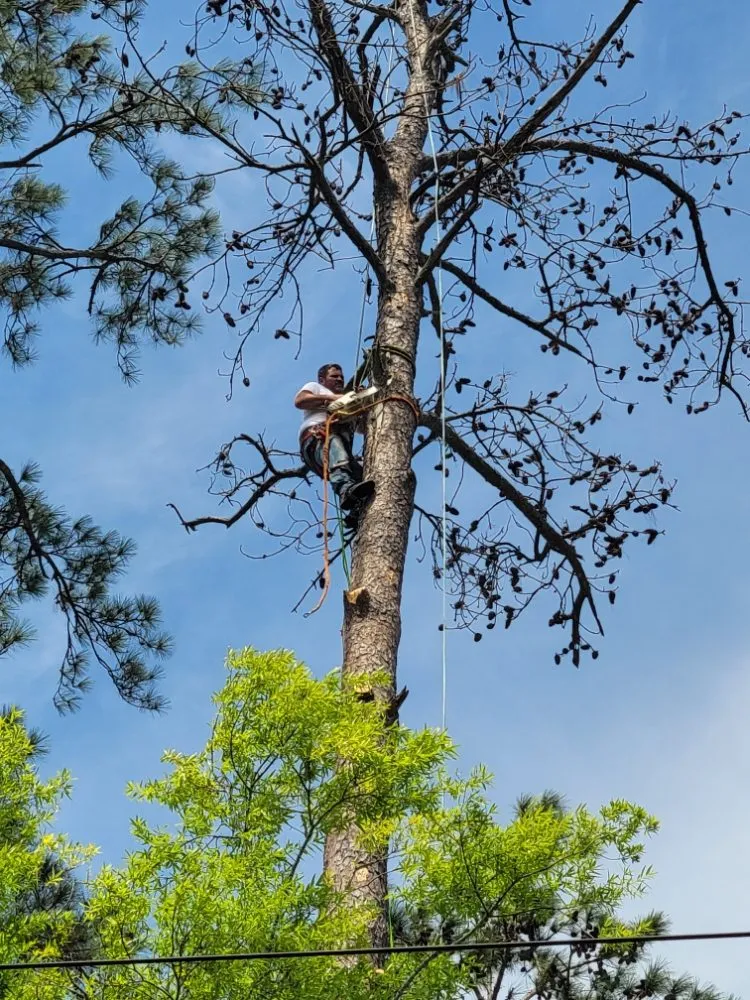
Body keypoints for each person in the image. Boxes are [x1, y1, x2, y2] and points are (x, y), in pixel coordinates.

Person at [295, 364, 375, 524]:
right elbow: (300, 401)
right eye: (334, 376)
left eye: (341, 377)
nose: (339, 379)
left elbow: (363, 428)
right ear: (322, 379)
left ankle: (357, 508)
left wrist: (362, 406)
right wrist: (331, 399)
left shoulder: (345, 403)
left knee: (363, 469)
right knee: (334, 445)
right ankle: (345, 490)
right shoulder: (316, 388)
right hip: (317, 439)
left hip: (338, 454)